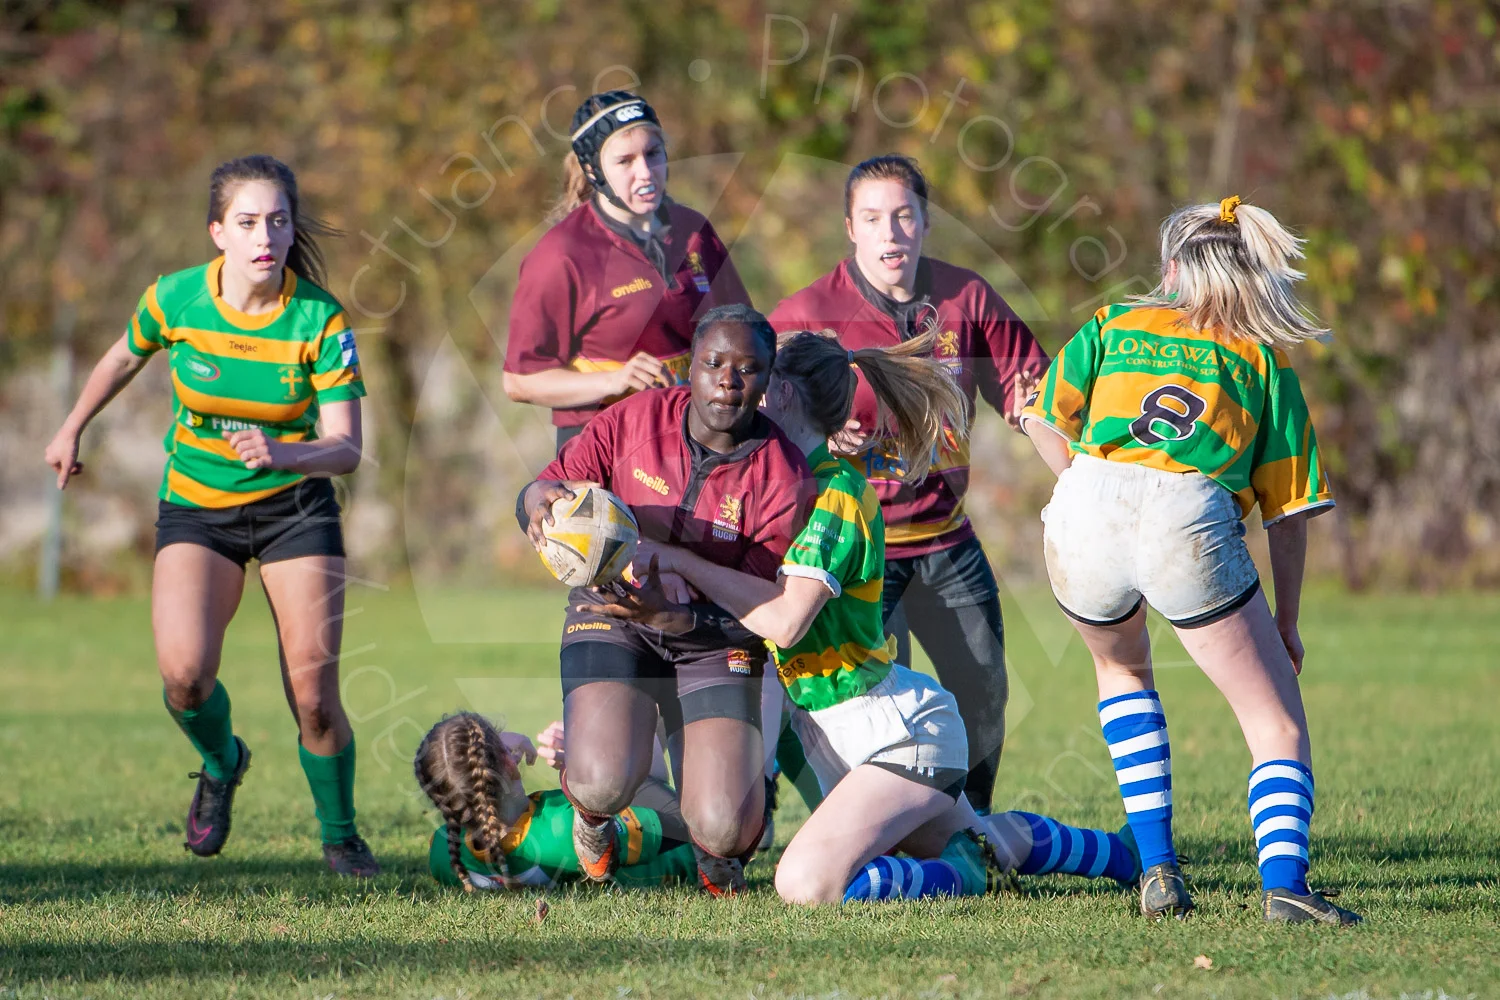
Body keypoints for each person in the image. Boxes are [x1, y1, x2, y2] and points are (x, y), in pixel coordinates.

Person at [592, 330, 1140, 904]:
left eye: (761, 377)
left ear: (781, 392)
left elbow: (784, 621)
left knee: (806, 882)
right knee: (974, 839)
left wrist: (679, 559)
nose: (745, 389)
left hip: (897, 734)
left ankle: (966, 881)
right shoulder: (776, 484)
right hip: (844, 735)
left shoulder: (837, 495)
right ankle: (1120, 853)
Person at [1020, 196, 1360, 925]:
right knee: (1276, 724)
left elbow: (1044, 419)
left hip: (1084, 502)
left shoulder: (1116, 322)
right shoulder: (1263, 360)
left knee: (1120, 670)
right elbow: (1289, 513)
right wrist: (1287, 621)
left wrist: (1094, 500)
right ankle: (1286, 887)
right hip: (1188, 512)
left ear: (1172, 267)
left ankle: (1158, 870)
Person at [42, 155, 379, 876]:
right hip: (197, 508)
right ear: (217, 232)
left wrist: (283, 454)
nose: (266, 236)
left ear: (292, 232)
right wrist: (73, 426)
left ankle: (342, 836)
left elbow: (347, 449)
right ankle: (222, 763)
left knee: (314, 698)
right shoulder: (176, 299)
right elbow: (122, 358)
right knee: (185, 677)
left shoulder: (319, 317)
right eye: (249, 222)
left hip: (296, 510)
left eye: (279, 222)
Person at [768, 155, 1049, 813]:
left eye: (903, 215)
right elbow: (763, 417)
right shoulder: (808, 312)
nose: (890, 232)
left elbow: (1031, 397)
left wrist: (1081, 481)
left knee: (982, 691)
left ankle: (969, 824)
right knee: (875, 705)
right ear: (850, 228)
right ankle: (885, 826)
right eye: (873, 218)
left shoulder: (966, 298)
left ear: (925, 221)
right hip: (858, 548)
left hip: (948, 540)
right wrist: (817, 431)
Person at [515, 304, 813, 895]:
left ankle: (718, 858)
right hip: (612, 617)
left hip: (714, 639)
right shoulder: (634, 421)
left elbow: (760, 614)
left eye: (748, 368)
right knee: (601, 780)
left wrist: (675, 616)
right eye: (713, 364)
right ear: (691, 368)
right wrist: (534, 499)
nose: (728, 381)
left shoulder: (784, 476)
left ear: (769, 379)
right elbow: (544, 484)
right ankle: (593, 820)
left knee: (725, 826)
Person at [503, 90, 751, 451]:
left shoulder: (694, 230)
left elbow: (748, 331)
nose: (645, 172)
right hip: (605, 453)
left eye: (653, 154)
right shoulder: (561, 255)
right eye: (625, 161)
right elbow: (519, 382)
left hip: (698, 445)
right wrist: (613, 381)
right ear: (592, 170)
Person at [414, 714, 697, 890]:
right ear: (508, 762)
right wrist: (591, 764)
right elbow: (682, 825)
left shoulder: (444, 853)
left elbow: (467, 773)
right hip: (687, 859)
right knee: (636, 712)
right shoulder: (567, 826)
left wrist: (494, 751)